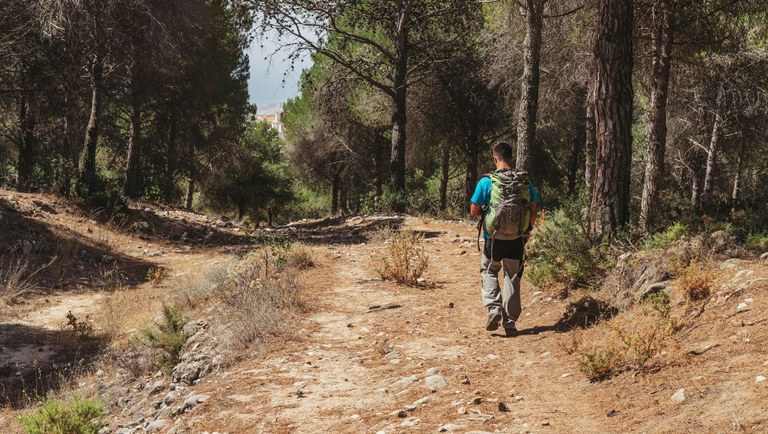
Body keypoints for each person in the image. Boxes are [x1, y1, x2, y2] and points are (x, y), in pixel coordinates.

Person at [470, 142, 539, 336]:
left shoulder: (487, 181)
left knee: (489, 270)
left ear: (495, 158)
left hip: (494, 237)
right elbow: (533, 206)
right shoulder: (524, 181)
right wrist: (528, 230)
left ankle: (493, 309)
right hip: (517, 237)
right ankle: (510, 323)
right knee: (513, 277)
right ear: (511, 158)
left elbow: (474, 211)